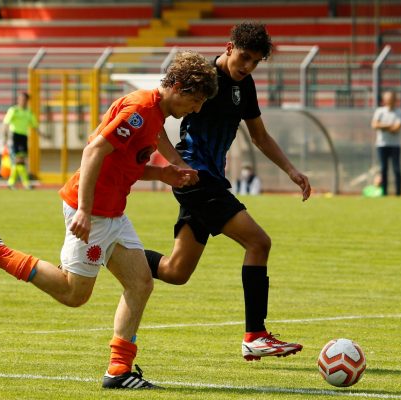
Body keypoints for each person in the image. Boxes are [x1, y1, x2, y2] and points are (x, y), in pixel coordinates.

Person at [0, 51, 218, 389]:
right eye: (194, 100)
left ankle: (119, 371)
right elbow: (93, 152)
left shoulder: (154, 113)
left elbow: (125, 163)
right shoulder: (139, 112)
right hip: (92, 211)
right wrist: (85, 212)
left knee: (140, 284)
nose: (196, 109)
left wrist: (163, 174)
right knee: (74, 294)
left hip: (113, 212)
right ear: (177, 86)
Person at [144, 22, 312, 362]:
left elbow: (260, 137)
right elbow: (154, 119)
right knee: (258, 242)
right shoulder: (202, 76)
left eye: (255, 62)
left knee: (176, 271)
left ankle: (107, 250)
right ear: (229, 47)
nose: (248, 67)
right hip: (197, 178)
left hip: (209, 179)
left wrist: (292, 171)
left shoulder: (244, 86)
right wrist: (176, 163)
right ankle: (255, 334)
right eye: (245, 58)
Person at [371, 91, 401, 196]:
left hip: (395, 145)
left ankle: (398, 193)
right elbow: (375, 125)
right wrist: (390, 126)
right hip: (382, 144)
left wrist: (383, 126)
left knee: (396, 169)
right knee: (383, 168)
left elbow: (397, 128)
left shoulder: (399, 113)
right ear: (385, 100)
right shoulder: (380, 111)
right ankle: (384, 192)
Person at [3, 92, 38, 190]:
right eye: (20, 99)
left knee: (20, 161)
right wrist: (5, 136)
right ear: (18, 100)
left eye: (24, 99)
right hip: (15, 136)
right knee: (19, 160)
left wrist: (43, 135)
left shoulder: (29, 112)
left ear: (27, 101)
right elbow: (6, 123)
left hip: (24, 137)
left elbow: (34, 125)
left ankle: (11, 183)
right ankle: (25, 183)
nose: (22, 101)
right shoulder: (13, 110)